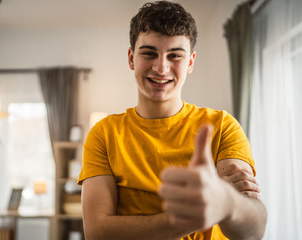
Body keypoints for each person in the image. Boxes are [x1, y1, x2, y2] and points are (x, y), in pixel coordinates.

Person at [77, 1, 267, 239]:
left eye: (174, 55)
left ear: (190, 62)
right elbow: (97, 232)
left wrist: (227, 202)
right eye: (149, 53)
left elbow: (254, 230)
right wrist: (196, 215)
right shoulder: (104, 133)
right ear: (131, 58)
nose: (161, 67)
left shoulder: (222, 126)